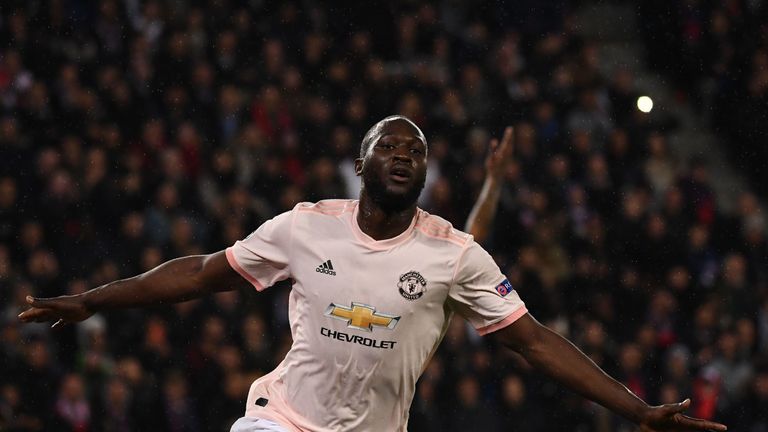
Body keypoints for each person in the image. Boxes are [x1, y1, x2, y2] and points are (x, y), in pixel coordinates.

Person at [19, 116, 727, 432]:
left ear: (424, 173)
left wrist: (634, 409)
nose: (403, 153)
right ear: (361, 164)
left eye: (415, 149)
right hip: (283, 420)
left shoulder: (453, 255)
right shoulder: (304, 225)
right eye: (388, 144)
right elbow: (202, 273)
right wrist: (90, 300)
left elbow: (536, 342)